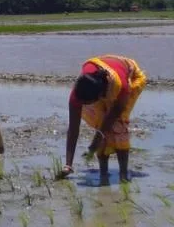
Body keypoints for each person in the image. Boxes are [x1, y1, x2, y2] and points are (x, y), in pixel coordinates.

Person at [59, 56, 147, 185]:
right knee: (100, 120)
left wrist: (97, 139)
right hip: (102, 77)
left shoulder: (121, 87)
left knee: (117, 125)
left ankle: (123, 175)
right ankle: (103, 173)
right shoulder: (78, 93)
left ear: (100, 96)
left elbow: (114, 115)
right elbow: (73, 129)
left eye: (88, 103)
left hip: (130, 77)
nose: (84, 105)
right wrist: (68, 165)